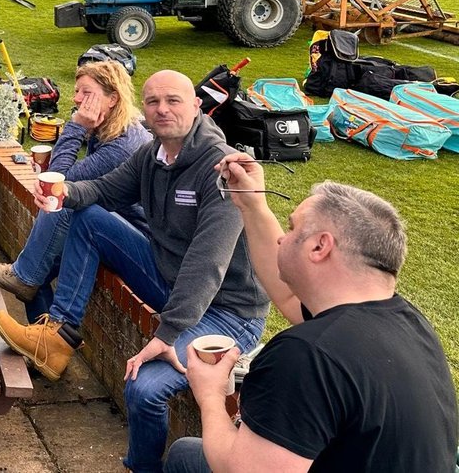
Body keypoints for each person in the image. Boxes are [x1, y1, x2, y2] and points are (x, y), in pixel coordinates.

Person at [0, 70, 269, 473]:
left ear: (196, 106)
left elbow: (208, 264)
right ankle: (59, 336)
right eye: (153, 101)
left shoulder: (220, 170)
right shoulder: (152, 155)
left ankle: (141, 466)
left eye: (173, 100)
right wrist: (66, 192)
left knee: (143, 387)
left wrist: (168, 333)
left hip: (227, 312)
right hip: (169, 280)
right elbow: (102, 190)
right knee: (86, 216)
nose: (161, 109)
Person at [166, 172, 458, 473]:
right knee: (187, 454)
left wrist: (210, 394)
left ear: (320, 247)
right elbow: (288, 297)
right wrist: (252, 206)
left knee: (185, 458)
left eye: (292, 228)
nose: (282, 237)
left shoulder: (305, 356)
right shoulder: (407, 320)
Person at [0, 59, 151, 321]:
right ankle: (40, 340)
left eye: (86, 93)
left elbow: (61, 184)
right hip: (106, 223)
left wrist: (76, 125)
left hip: (133, 238)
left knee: (61, 207)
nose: (77, 99)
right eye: (77, 91)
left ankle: (24, 277)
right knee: (39, 271)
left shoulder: (123, 145)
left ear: (112, 99)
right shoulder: (111, 129)